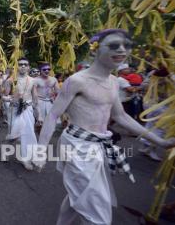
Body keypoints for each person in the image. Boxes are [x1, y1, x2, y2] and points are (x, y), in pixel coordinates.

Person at [37, 29, 175, 225]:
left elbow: (121, 116)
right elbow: (53, 114)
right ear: (95, 50)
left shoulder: (112, 82)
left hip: (99, 147)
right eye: (113, 45)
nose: (122, 49)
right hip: (77, 147)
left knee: (79, 195)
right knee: (96, 211)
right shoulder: (76, 81)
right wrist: (41, 151)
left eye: (126, 45)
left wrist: (160, 140)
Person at [4, 58, 39, 170]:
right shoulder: (11, 80)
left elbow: (35, 97)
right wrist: (11, 99)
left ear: (28, 67)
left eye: (25, 64)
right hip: (14, 110)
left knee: (28, 134)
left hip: (27, 109)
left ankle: (26, 159)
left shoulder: (32, 81)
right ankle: (5, 149)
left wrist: (39, 114)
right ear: (17, 66)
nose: (23, 66)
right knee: (14, 135)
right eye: (20, 64)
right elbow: (4, 96)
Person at [34, 63, 59, 127]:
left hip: (50, 103)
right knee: (39, 124)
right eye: (44, 69)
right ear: (40, 70)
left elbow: (58, 91)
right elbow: (34, 94)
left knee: (50, 124)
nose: (47, 71)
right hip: (39, 102)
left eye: (48, 69)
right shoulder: (36, 80)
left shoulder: (54, 79)